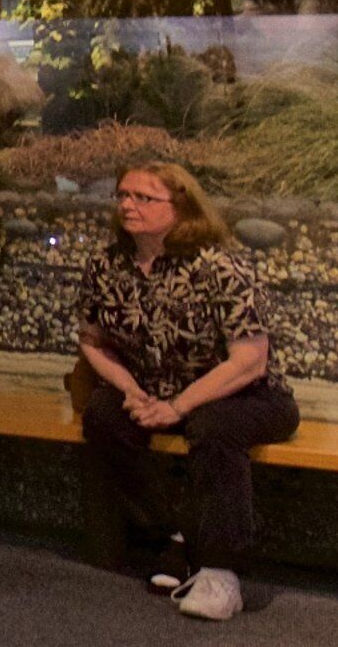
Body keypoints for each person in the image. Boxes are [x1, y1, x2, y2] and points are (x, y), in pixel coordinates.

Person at [73, 161, 298, 622]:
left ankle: (220, 572)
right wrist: (130, 390)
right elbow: (92, 340)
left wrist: (178, 406)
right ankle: (175, 533)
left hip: (243, 395)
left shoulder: (218, 267)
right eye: (123, 195)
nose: (128, 205)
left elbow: (249, 360)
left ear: (181, 207)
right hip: (155, 391)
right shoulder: (106, 265)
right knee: (103, 415)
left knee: (214, 427)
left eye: (143, 198)